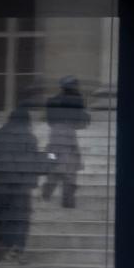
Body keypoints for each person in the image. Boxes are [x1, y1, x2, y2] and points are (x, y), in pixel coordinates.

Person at [41, 75, 90, 208]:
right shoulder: (76, 100)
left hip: (55, 135)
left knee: (54, 162)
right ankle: (67, 200)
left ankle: (47, 193)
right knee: (69, 167)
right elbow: (82, 122)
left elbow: (50, 121)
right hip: (68, 136)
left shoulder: (52, 101)